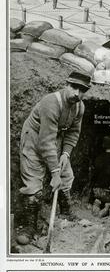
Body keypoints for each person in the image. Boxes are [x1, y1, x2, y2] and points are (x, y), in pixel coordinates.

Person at [16, 71, 91, 245]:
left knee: (66, 175)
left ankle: (65, 212)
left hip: (54, 139)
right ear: (66, 85)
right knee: (34, 182)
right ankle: (29, 226)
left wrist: (65, 154)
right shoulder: (51, 103)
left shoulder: (79, 107)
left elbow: (73, 133)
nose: (76, 94)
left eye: (82, 90)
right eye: (73, 87)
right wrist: (54, 173)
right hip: (34, 139)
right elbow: (45, 142)